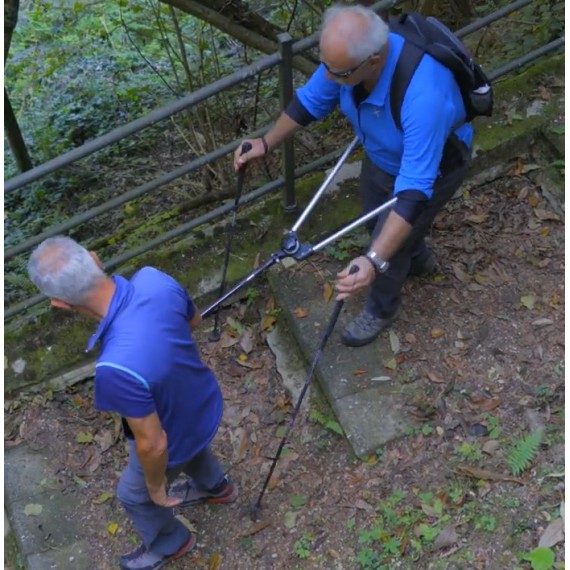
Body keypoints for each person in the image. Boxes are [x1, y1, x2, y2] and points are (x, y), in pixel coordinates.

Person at [234, 5, 473, 347]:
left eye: (339, 73)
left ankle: (381, 308)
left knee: (389, 244)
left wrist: (373, 260)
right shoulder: (348, 59)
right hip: (382, 154)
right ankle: (420, 258)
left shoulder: (424, 97)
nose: (329, 78)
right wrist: (265, 142)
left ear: (374, 61)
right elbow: (310, 102)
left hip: (435, 167)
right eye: (327, 67)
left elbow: (412, 194)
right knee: (375, 221)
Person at [27, 236, 237, 570]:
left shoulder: (115, 368)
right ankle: (217, 487)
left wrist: (155, 487)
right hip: (202, 402)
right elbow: (193, 321)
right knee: (190, 444)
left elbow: (154, 445)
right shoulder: (155, 279)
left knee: (133, 494)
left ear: (60, 304)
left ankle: (172, 544)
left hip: (172, 431)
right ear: (96, 259)